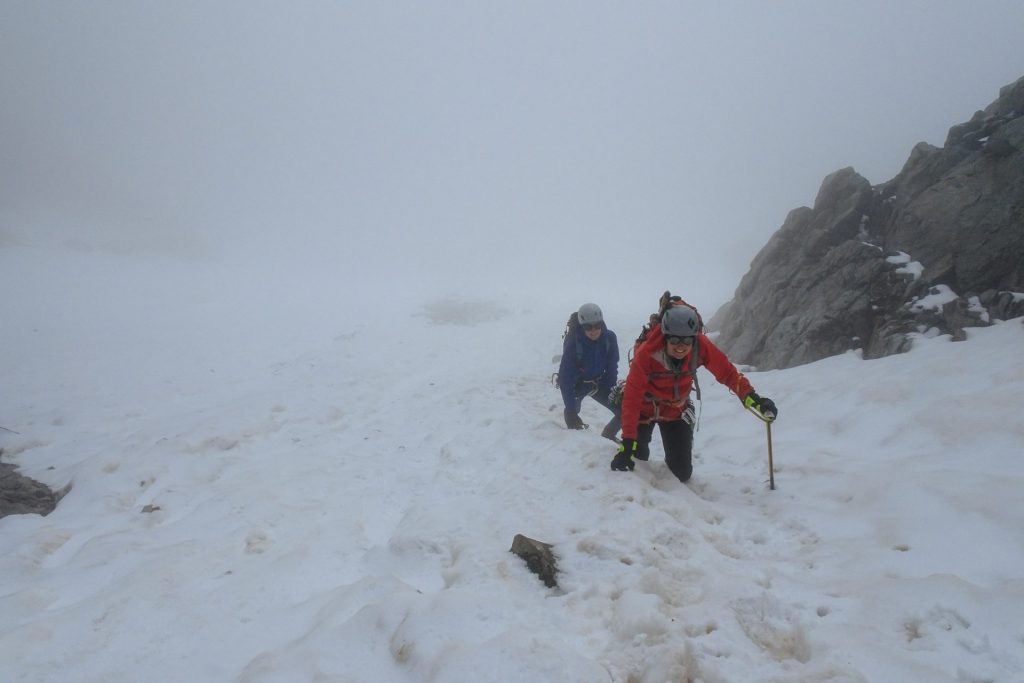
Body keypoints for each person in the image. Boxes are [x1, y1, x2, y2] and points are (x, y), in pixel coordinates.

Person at [611, 303, 777, 482]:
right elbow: (632, 398)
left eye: (687, 340)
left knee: (682, 473)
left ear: (694, 338)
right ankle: (631, 446)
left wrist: (752, 397)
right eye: (674, 340)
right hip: (644, 409)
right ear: (665, 337)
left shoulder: (701, 346)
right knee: (638, 458)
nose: (681, 346)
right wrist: (627, 442)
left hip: (675, 411)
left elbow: (728, 373)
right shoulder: (647, 353)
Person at [558, 303, 622, 441]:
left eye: (597, 326)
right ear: (581, 326)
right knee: (573, 414)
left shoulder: (609, 338)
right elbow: (565, 377)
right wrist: (570, 410)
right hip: (577, 386)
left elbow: (612, 365)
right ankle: (574, 437)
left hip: (598, 384)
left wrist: (609, 388)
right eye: (588, 327)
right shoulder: (574, 343)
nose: (593, 331)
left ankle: (608, 434)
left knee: (624, 411)